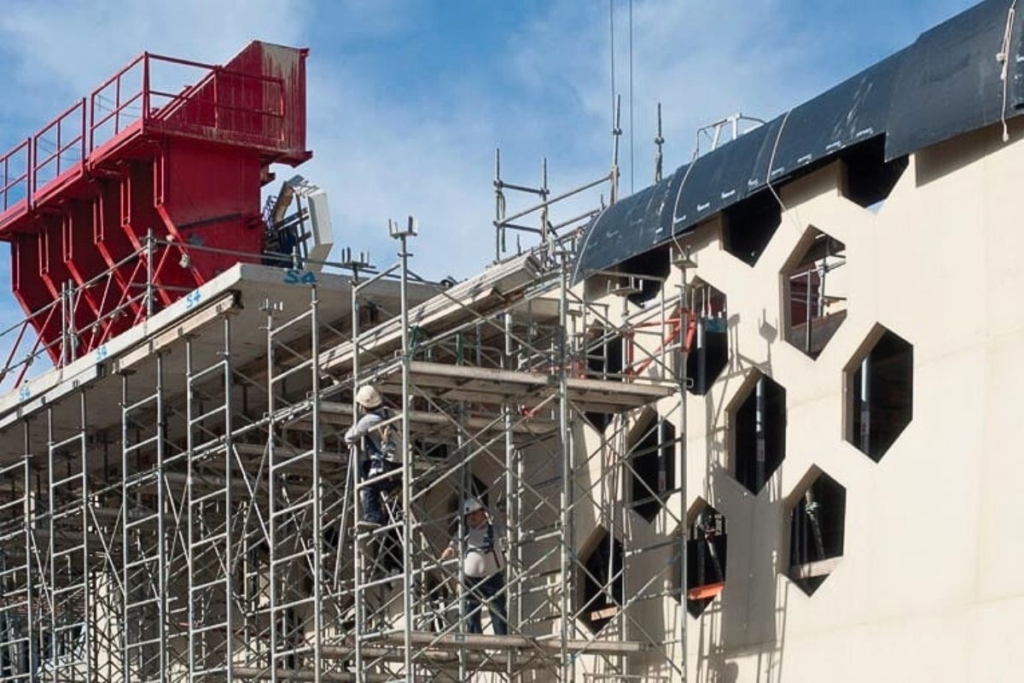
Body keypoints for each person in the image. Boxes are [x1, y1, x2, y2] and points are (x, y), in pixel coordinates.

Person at [440, 498, 508, 635]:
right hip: (470, 581)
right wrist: (446, 554)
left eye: (474, 513)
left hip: (492, 578)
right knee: (470, 615)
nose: (471, 517)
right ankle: (476, 644)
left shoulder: (495, 529)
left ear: (483, 512)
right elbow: (452, 547)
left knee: (498, 613)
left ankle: (502, 642)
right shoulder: (463, 533)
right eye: (468, 515)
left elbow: (510, 533)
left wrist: (505, 514)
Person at [344, 385, 400, 527]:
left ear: (362, 406)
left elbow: (349, 437)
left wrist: (357, 426)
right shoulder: (390, 413)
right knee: (366, 466)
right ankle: (393, 487)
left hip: (387, 463)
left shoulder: (369, 419)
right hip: (400, 463)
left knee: (368, 488)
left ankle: (374, 518)